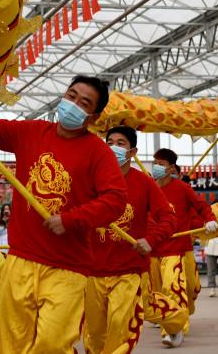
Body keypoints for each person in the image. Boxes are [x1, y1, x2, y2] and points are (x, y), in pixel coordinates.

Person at [0, 75, 128, 353]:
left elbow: (116, 201)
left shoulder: (99, 153)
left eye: (83, 103)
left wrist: (72, 219)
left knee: (52, 344)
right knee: (11, 343)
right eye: (71, 96)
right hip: (21, 261)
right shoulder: (32, 132)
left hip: (68, 268)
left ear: (93, 117)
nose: (73, 104)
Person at [84, 126, 178, 353]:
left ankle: (177, 320)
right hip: (92, 269)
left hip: (128, 270)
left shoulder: (144, 183)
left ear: (132, 151)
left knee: (120, 328)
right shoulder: (88, 179)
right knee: (94, 334)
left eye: (120, 143)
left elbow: (167, 217)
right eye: (109, 142)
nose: (113, 147)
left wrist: (151, 239)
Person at [149, 148, 218, 347]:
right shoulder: (149, 187)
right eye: (155, 163)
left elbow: (203, 207)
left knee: (177, 289)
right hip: (152, 249)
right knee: (158, 291)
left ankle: (174, 330)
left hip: (177, 248)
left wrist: (210, 219)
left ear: (171, 168)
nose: (156, 167)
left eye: (161, 164)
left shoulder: (182, 188)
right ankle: (170, 319)